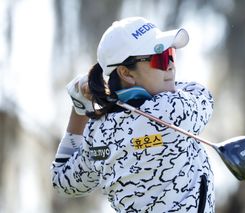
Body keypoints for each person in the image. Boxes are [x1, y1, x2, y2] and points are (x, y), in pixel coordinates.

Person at [51, 16, 215, 213]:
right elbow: (203, 95)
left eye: (170, 54)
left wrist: (79, 108)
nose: (170, 65)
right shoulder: (172, 109)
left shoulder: (98, 132)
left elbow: (61, 181)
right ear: (126, 73)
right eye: (160, 58)